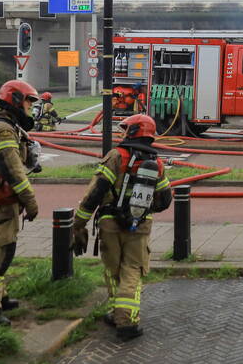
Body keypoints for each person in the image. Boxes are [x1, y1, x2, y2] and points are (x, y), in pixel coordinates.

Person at [71, 114, 171, 341]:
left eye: (126, 129)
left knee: (114, 269)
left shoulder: (116, 156)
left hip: (109, 224)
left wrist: (79, 224)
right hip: (140, 226)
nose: (122, 133)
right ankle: (125, 319)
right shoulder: (157, 163)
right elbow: (165, 200)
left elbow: (95, 193)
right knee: (132, 271)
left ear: (134, 131)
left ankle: (122, 317)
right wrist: (142, 212)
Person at [0, 79, 41, 325]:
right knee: (4, 250)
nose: (30, 107)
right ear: (15, 100)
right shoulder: (3, 130)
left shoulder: (3, 125)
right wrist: (31, 202)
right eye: (28, 101)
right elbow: (13, 171)